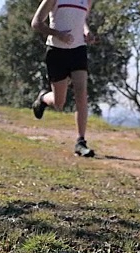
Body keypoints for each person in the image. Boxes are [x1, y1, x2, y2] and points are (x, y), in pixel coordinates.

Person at [30, 0, 96, 157]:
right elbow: (36, 23)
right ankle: (43, 98)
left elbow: (82, 19)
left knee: (81, 94)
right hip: (56, 52)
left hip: (78, 50)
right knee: (60, 103)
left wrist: (86, 32)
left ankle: (81, 142)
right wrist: (59, 34)